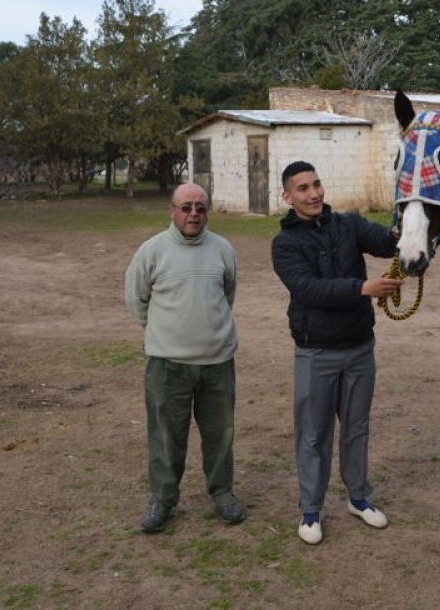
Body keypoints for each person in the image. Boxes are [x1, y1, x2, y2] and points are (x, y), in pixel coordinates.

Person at [271, 160, 403, 545]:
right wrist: (363, 288)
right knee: (313, 435)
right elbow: (309, 289)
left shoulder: (348, 224)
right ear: (288, 196)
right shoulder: (285, 244)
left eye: (316, 184)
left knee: (357, 428)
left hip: (361, 347)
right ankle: (310, 510)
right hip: (316, 353)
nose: (313, 194)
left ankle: (359, 498)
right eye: (302, 188)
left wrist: (407, 226)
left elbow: (385, 241)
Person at [124, 183, 245, 533]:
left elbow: (227, 293)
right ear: (172, 210)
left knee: (220, 435)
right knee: (165, 437)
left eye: (201, 207)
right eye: (187, 207)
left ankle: (222, 494)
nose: (194, 214)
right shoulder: (151, 252)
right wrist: (165, 334)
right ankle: (162, 500)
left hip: (217, 364)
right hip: (167, 366)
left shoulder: (222, 249)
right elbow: (136, 300)